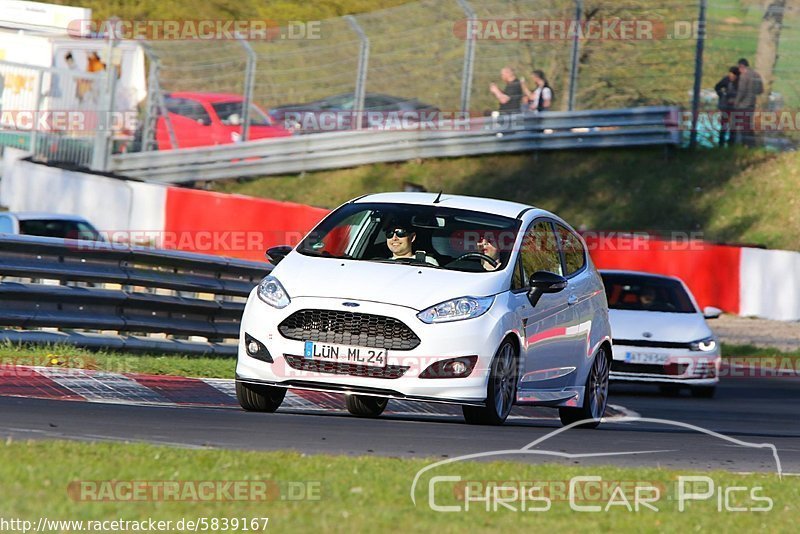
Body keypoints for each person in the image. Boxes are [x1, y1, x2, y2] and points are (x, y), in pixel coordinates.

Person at [733, 58, 763, 147]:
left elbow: (741, 91)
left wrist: (736, 103)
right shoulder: (756, 75)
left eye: (739, 68)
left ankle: (745, 145)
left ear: (741, 66)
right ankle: (752, 144)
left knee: (743, 126)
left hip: (743, 105)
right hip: (752, 104)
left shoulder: (744, 76)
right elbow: (760, 90)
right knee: (748, 124)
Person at [714, 66, 739, 147]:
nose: (731, 77)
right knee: (724, 126)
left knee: (733, 127)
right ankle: (721, 143)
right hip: (725, 106)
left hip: (735, 107)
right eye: (730, 75)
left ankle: (731, 144)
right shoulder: (726, 79)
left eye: (733, 76)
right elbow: (717, 87)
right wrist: (722, 95)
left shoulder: (740, 82)